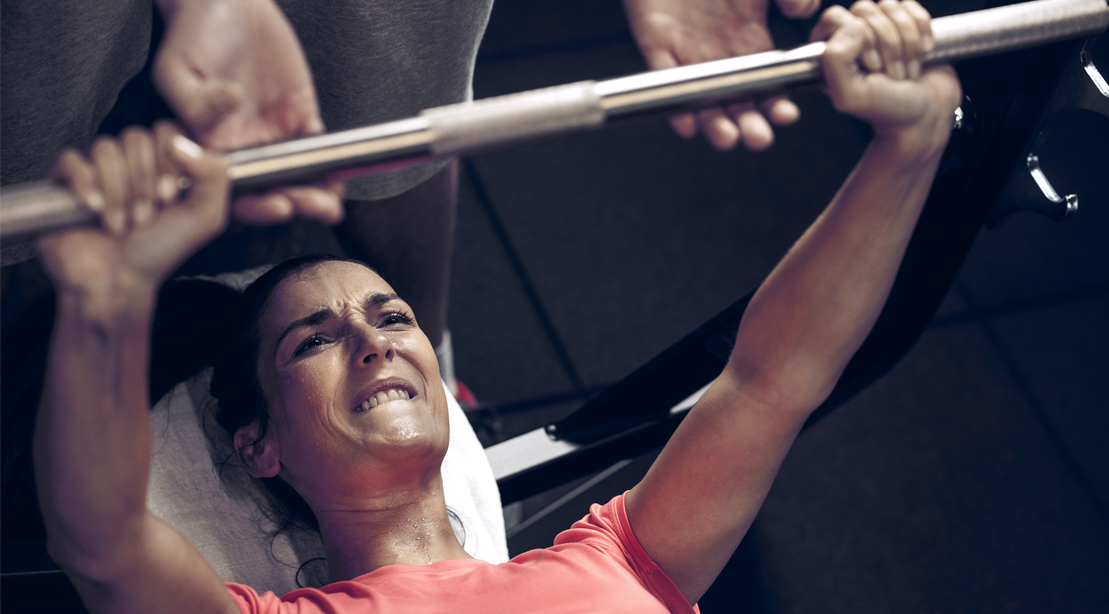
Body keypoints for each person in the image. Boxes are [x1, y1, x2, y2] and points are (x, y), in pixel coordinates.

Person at [33, 1, 960, 612]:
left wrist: (908, 148)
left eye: (394, 318)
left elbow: (768, 380)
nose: (372, 341)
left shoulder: (620, 562)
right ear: (257, 445)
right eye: (312, 343)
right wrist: (102, 305)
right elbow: (101, 540)